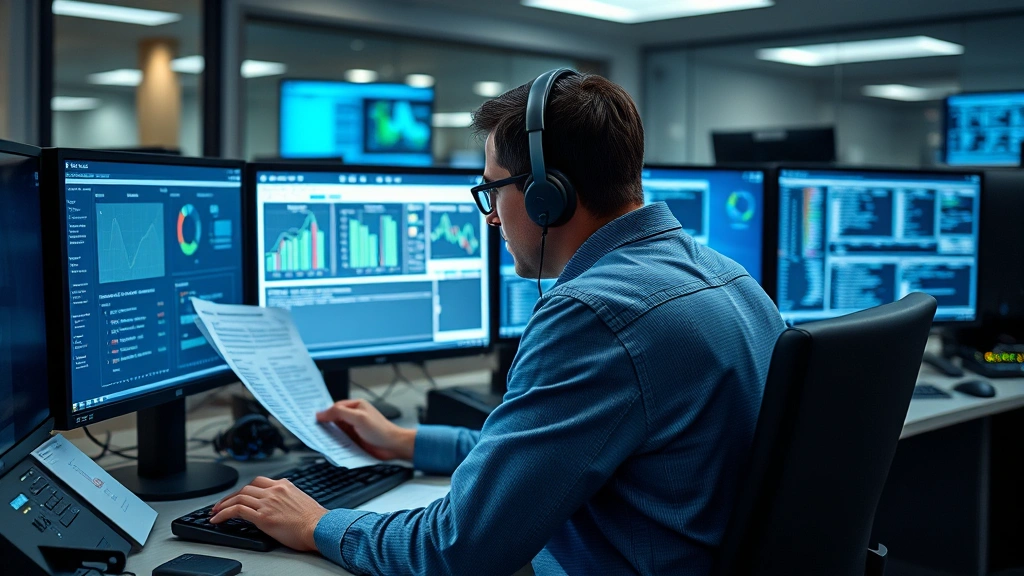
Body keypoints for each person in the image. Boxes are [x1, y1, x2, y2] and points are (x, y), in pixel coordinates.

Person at [209, 70, 786, 575]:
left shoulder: (593, 314)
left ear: (545, 197)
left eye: (491, 189)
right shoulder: (729, 277)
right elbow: (542, 459)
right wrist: (409, 442)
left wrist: (318, 524)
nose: (490, 217)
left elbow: (456, 550)